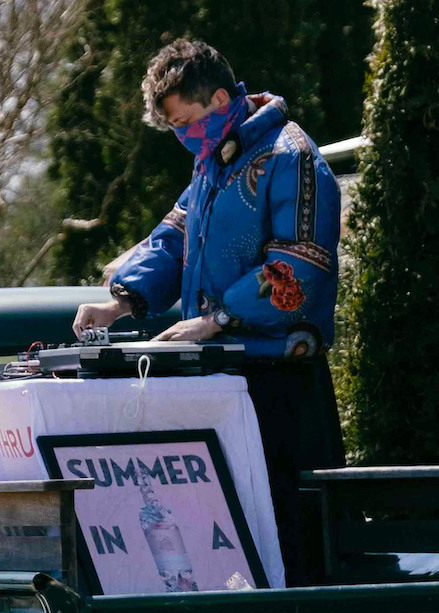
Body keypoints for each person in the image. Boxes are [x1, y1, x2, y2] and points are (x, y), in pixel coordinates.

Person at [71, 38, 344, 584]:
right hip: (220, 384)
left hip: (281, 391)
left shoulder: (292, 158)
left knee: (294, 549)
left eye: (186, 121)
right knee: (223, 548)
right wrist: (118, 303)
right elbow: (173, 239)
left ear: (222, 98)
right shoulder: (210, 166)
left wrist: (217, 318)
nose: (181, 136)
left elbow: (301, 267)